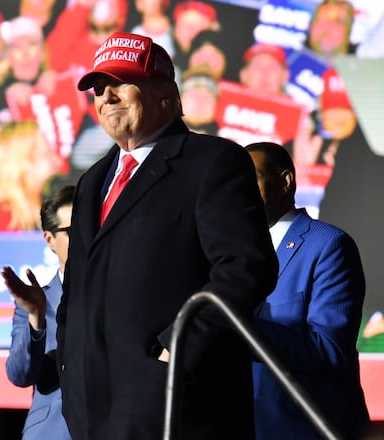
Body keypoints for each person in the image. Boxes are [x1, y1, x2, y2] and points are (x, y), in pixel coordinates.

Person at [56, 32, 278, 439]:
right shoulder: (91, 181)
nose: (107, 96)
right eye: (99, 88)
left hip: (176, 404)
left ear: (166, 96)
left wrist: (177, 350)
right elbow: (78, 285)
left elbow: (246, 267)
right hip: (91, 407)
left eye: (121, 83)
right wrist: (69, 365)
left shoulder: (213, 161)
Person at [245, 141, 369, 439]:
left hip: (307, 428)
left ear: (285, 181)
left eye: (252, 179)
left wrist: (239, 328)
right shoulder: (233, 253)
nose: (240, 191)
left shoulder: (328, 245)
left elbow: (329, 351)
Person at [1, 184, 74, 439]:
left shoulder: (120, 294)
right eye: (72, 231)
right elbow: (20, 375)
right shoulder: (36, 302)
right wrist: (36, 317)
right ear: (50, 240)